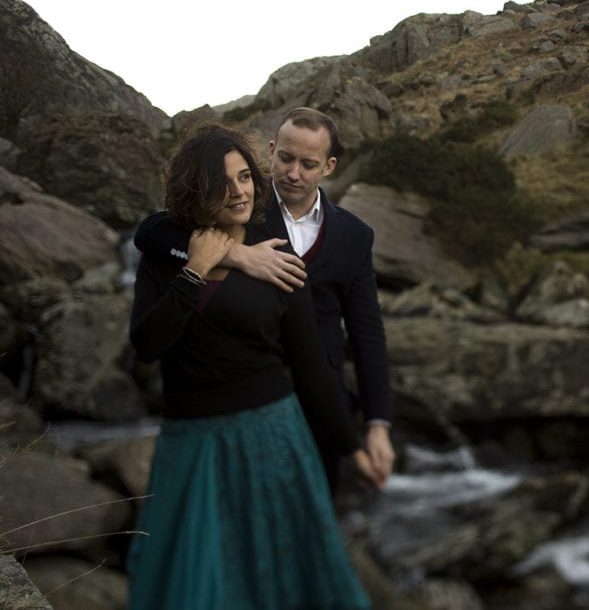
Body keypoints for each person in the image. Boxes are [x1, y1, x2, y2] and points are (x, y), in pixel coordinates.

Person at [128, 124, 374, 609]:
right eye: (222, 183)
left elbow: (312, 368)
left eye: (244, 177)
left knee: (282, 579)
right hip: (193, 446)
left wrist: (352, 444)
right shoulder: (165, 254)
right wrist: (197, 271)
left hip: (272, 439)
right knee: (195, 585)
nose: (238, 191)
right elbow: (147, 345)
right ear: (195, 189)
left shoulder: (277, 253)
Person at [134, 107, 394, 493]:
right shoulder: (238, 204)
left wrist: (377, 423)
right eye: (286, 158)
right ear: (271, 151)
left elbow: (367, 331)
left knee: (309, 517)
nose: (293, 173)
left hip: (322, 400)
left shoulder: (355, 235)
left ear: (329, 166)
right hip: (243, 397)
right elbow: (152, 231)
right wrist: (234, 253)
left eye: (308, 164)